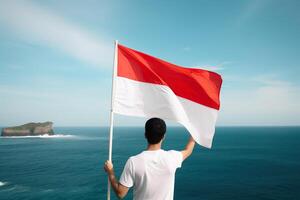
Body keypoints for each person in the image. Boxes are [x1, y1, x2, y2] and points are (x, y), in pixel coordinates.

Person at [104, 117, 196, 200]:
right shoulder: (172, 157)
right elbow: (188, 150)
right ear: (163, 136)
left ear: (145, 135)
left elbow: (121, 193)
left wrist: (110, 172)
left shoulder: (133, 162)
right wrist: (195, 133)